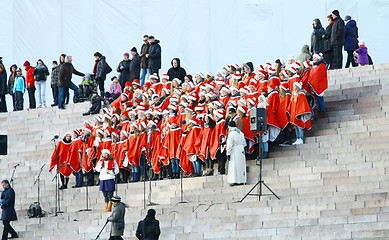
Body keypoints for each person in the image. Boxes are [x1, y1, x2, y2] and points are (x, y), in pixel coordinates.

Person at [226, 120, 247, 187]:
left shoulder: (231, 134)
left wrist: (228, 153)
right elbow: (244, 143)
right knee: (241, 166)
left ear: (229, 126)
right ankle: (242, 180)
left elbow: (229, 145)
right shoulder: (240, 133)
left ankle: (234, 180)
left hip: (234, 150)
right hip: (241, 150)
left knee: (234, 166)